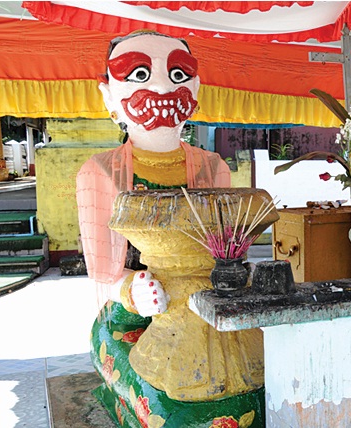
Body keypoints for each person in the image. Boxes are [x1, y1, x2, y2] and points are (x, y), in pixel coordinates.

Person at [76, 31, 264, 427]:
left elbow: (228, 248)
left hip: (209, 302)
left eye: (178, 73)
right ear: (109, 94)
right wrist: (133, 291)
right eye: (139, 74)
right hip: (136, 315)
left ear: (194, 88)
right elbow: (103, 271)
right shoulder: (100, 172)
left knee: (261, 383)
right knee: (169, 408)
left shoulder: (214, 167)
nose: (162, 86)